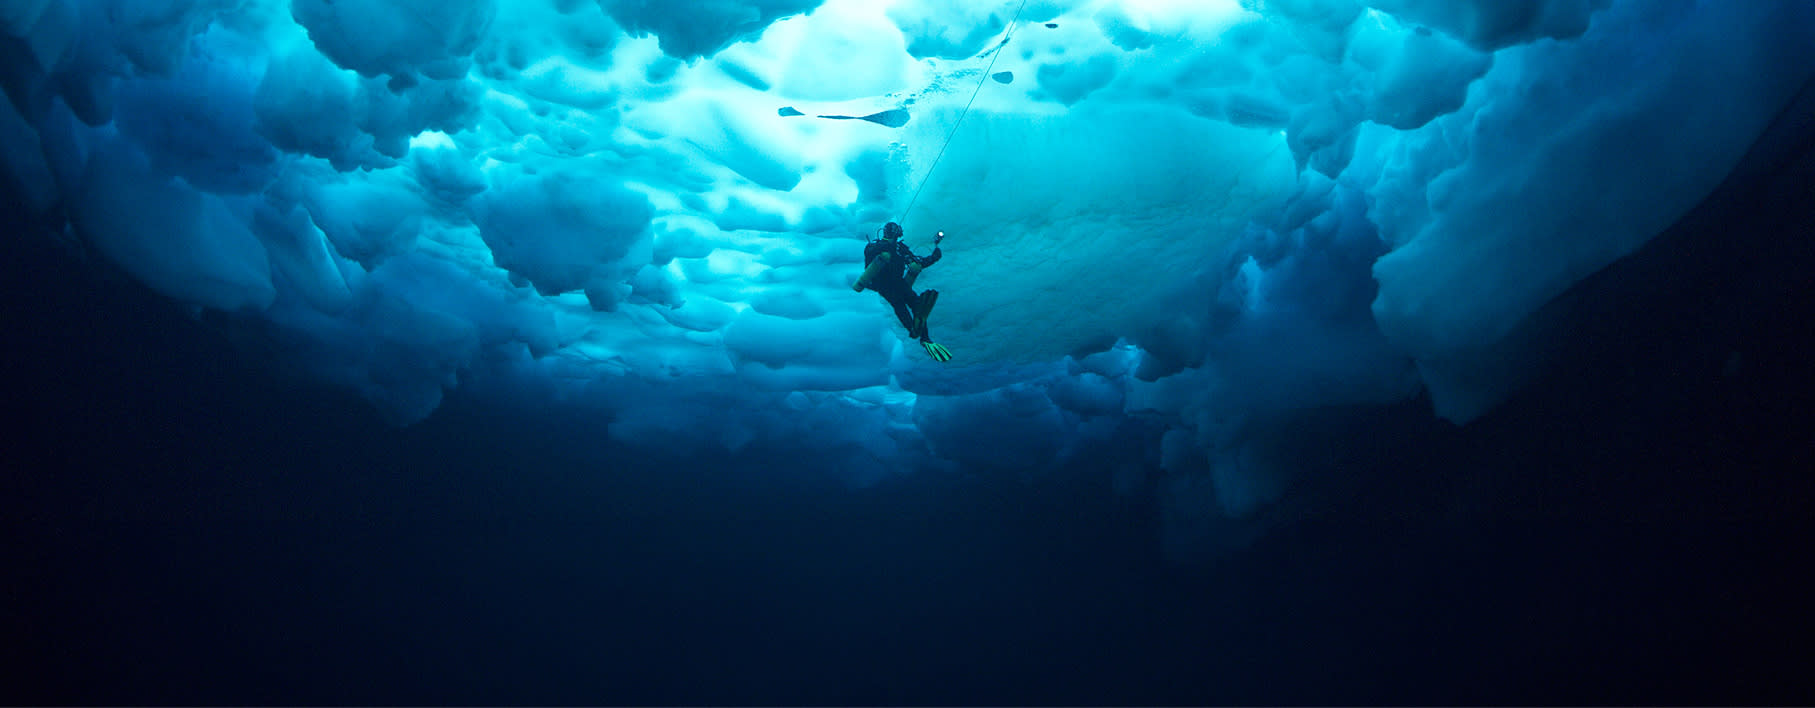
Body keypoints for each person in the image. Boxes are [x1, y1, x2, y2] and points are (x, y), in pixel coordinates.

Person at [854, 221, 951, 362]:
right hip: (884, 285)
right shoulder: (876, 246)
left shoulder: (900, 248)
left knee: (917, 305)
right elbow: (869, 254)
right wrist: (888, 245)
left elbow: (917, 262)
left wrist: (934, 258)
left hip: (898, 283)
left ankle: (924, 338)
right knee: (901, 305)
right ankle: (915, 331)